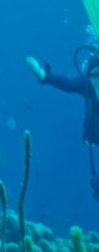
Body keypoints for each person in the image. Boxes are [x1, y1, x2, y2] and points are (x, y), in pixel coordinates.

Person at [25, 50, 99, 199]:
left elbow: (69, 84)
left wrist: (45, 76)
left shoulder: (89, 82)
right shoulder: (89, 84)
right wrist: (45, 76)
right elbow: (69, 84)